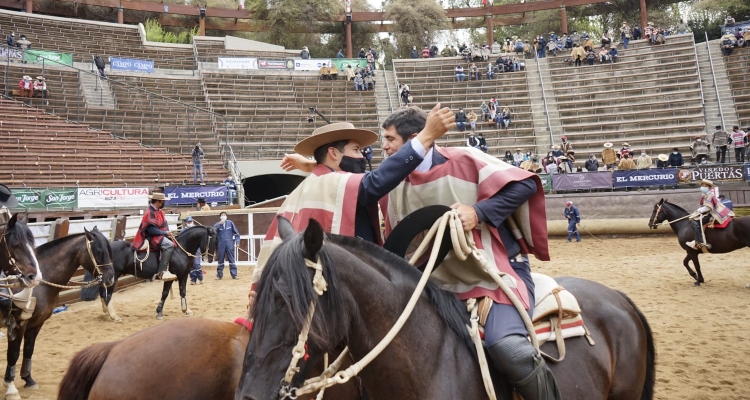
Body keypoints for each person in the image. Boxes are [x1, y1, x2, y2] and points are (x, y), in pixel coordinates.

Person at [375, 106, 560, 400]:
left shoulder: (465, 158)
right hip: (432, 287)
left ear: (414, 138)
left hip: (492, 277)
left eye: (389, 139)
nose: (383, 146)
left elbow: (525, 183)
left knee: (508, 350)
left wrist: (478, 212)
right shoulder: (389, 185)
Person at [252, 105, 455, 288]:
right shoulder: (332, 182)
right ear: (333, 153)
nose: (362, 157)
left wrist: (312, 165)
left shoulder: (313, 183)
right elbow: (375, 181)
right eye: (356, 150)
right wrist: (426, 136)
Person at [131, 192, 177, 281]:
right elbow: (151, 230)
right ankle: (162, 272)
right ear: (157, 202)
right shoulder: (149, 212)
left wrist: (168, 232)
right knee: (169, 245)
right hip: (152, 237)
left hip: (159, 234)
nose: (164, 203)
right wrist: (165, 233)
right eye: (162, 201)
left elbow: (164, 224)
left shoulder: (159, 212)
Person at [686, 180, 734, 250]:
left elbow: (708, 207)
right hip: (710, 212)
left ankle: (699, 242)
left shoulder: (709, 195)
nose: (703, 187)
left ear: (710, 188)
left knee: (695, 222)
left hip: (714, 213)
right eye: (702, 186)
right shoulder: (706, 195)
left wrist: (698, 211)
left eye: (705, 186)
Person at [214, 212, 240, 280]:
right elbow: (213, 230)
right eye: (222, 215)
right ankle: (219, 275)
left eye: (224, 215)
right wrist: (220, 224)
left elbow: (236, 233)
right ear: (220, 217)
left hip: (229, 243)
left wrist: (237, 242)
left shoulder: (230, 223)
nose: (223, 216)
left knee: (231, 259)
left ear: (226, 216)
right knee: (220, 260)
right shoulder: (217, 224)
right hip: (221, 244)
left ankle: (234, 274)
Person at [184, 216, 203, 285]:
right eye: (188, 222)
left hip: (196, 249)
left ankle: (200, 278)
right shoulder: (184, 231)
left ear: (193, 222)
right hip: (188, 250)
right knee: (190, 265)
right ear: (186, 223)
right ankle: (193, 279)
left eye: (191, 222)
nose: (190, 223)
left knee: (197, 264)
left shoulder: (196, 230)